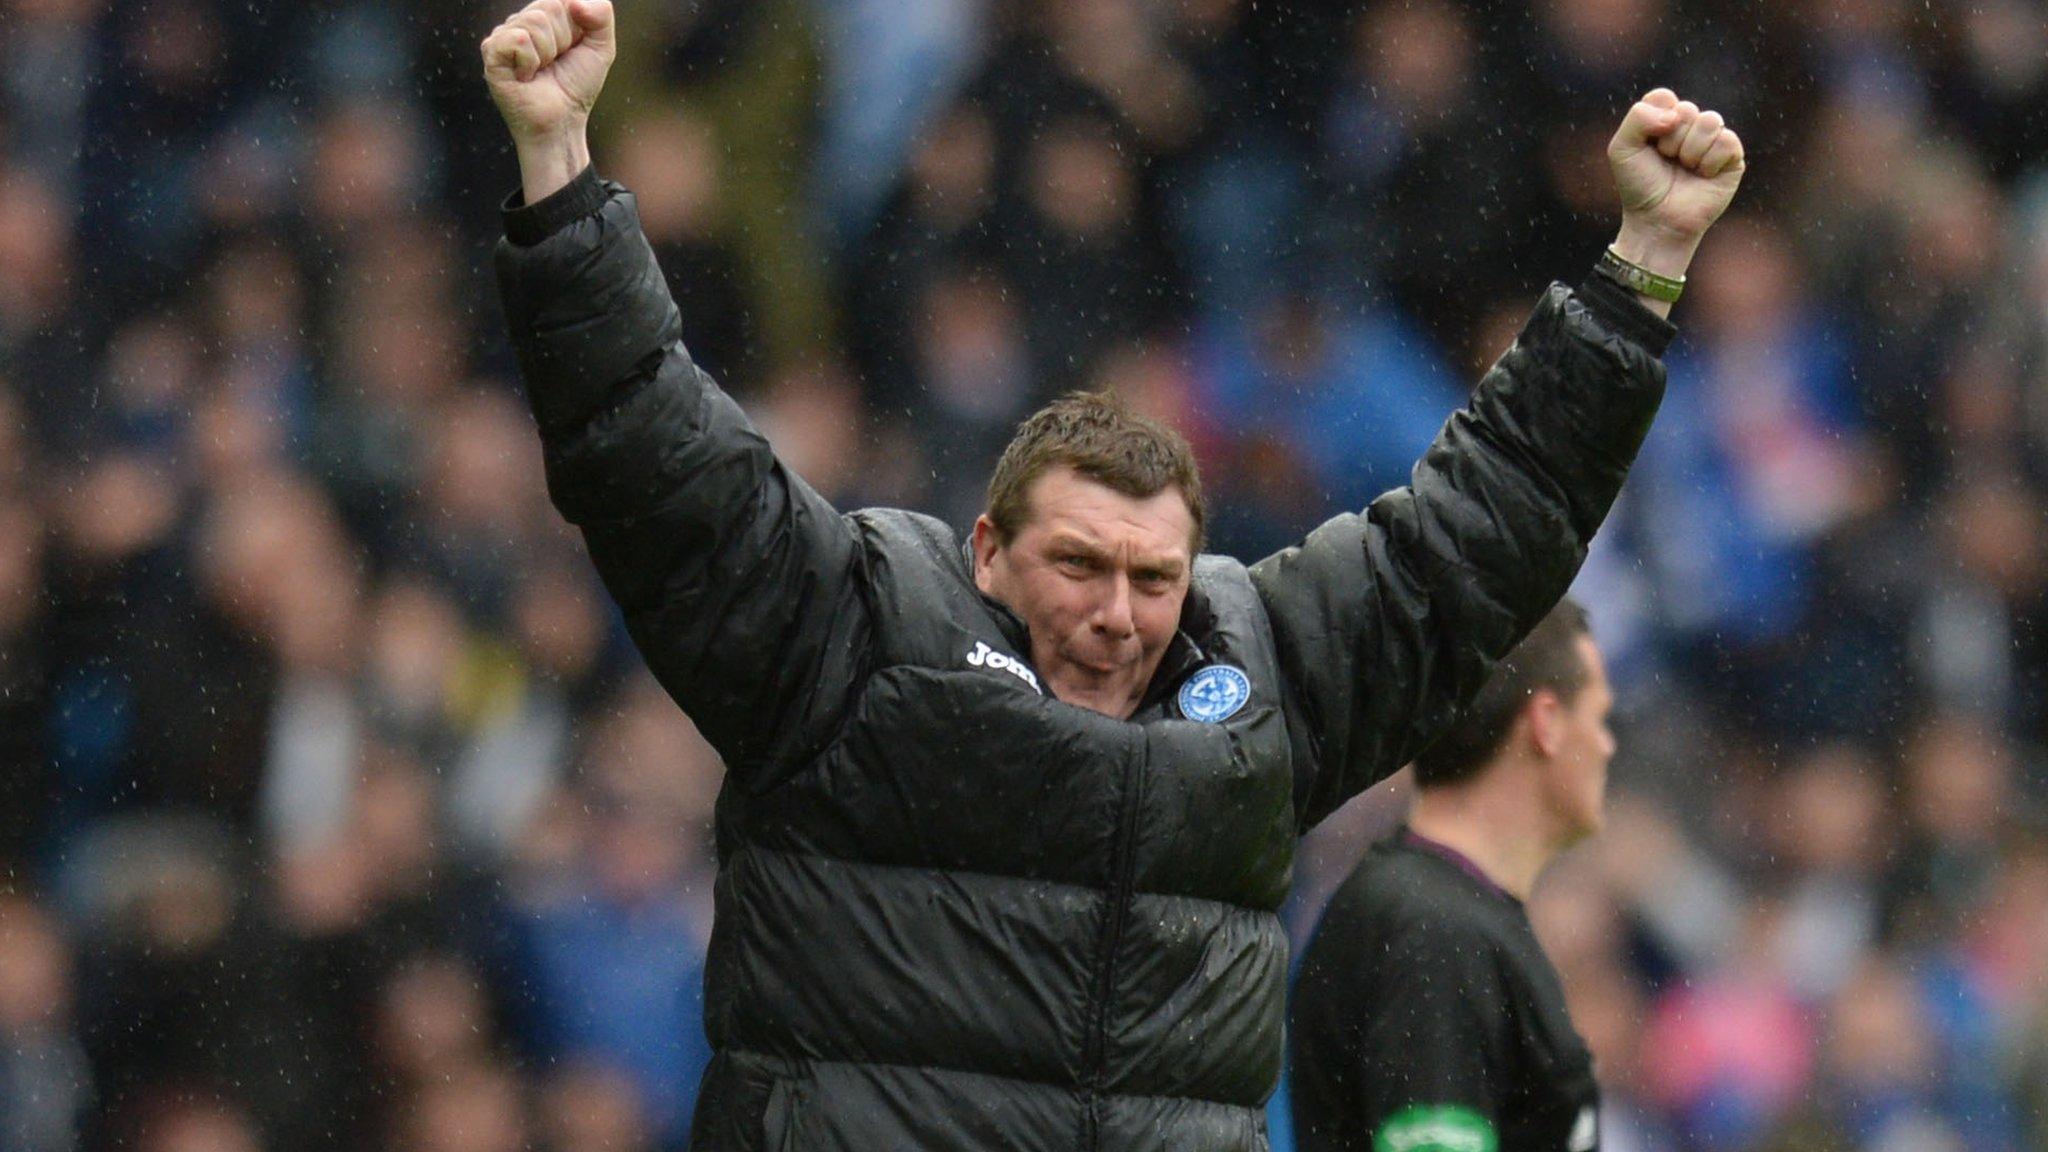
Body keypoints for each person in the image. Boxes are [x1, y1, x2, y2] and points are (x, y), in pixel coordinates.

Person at [477, 2, 1744, 1147]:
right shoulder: (854, 635)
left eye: (1155, 576)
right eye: (1078, 564)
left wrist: (1642, 261)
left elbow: (1482, 531)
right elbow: (654, 457)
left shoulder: (1259, 682)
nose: (1118, 612)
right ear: (985, 550)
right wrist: (559, 169)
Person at [1288, 600, 1615, 1152]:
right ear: (1547, 723)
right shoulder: (1435, 933)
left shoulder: (1442, 913)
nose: (1608, 744)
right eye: (1600, 717)